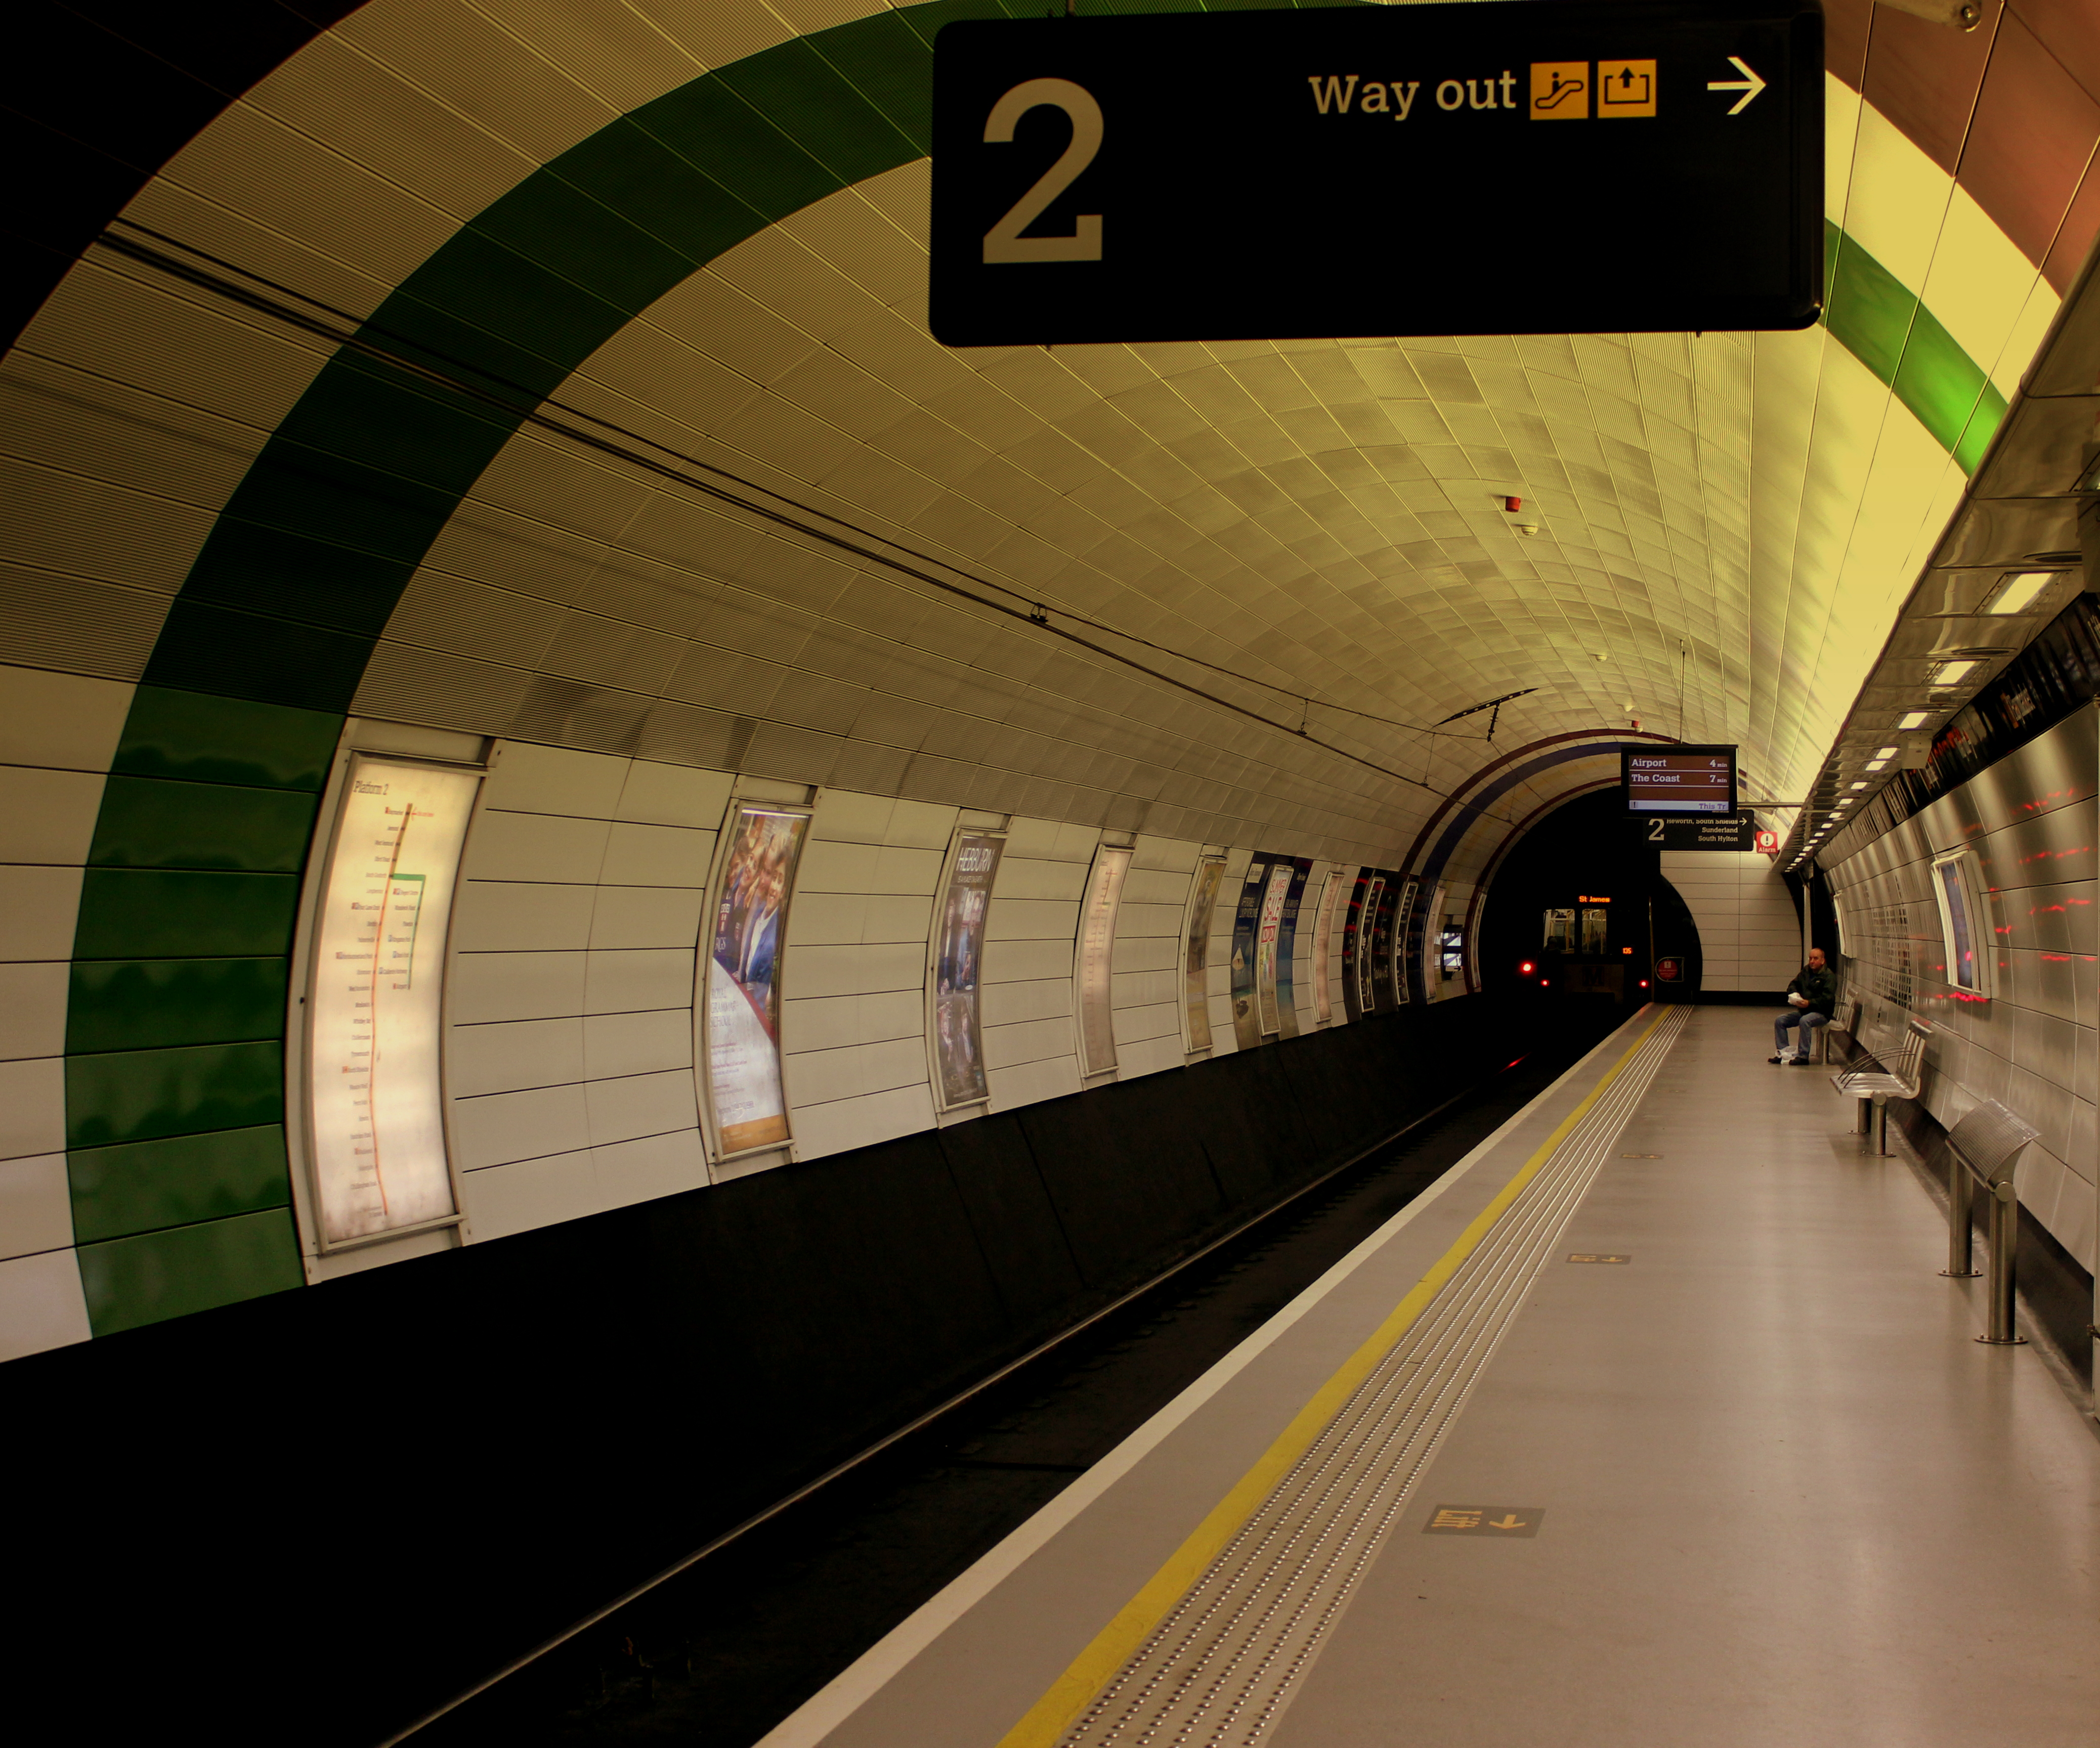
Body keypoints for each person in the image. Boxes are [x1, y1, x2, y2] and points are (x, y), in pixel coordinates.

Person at [1772, 947, 1836, 1064]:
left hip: (1822, 1013)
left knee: (1805, 1021)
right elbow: (1793, 984)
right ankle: (1783, 1053)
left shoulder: (1829, 977)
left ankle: (1803, 1056)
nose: (1812, 961)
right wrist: (1794, 994)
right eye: (1810, 958)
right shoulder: (1806, 972)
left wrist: (1809, 1003)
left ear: (1823, 961)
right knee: (1780, 1021)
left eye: (1815, 959)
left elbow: (1827, 999)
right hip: (1805, 1010)